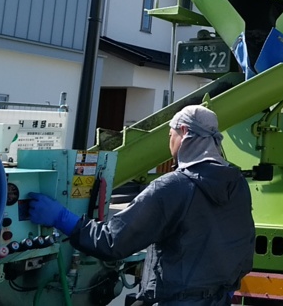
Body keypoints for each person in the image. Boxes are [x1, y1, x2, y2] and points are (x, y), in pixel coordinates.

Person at [28, 105, 255, 306]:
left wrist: (62, 218)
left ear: (184, 132)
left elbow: (113, 241)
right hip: (221, 297)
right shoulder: (237, 183)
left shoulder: (173, 187)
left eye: (170, 134)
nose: (170, 143)